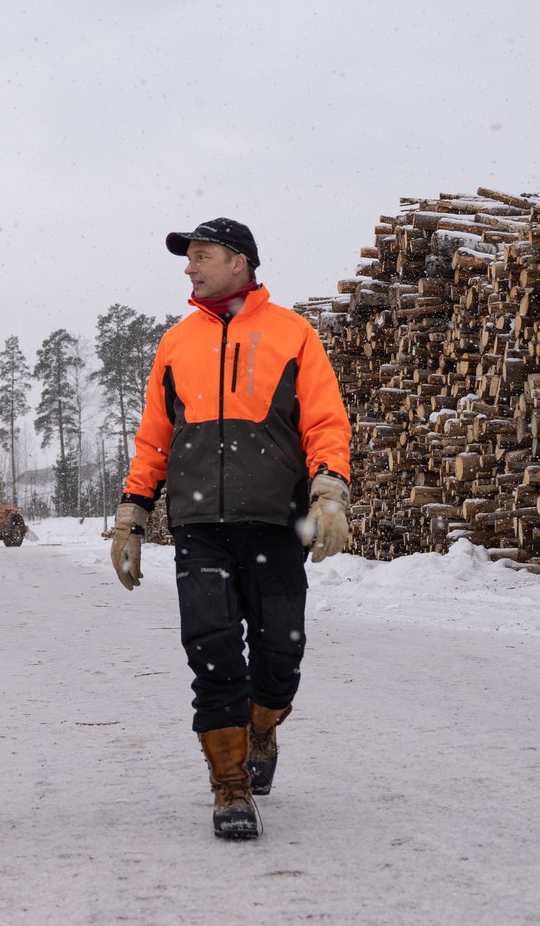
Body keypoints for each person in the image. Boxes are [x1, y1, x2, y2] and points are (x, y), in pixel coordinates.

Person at [108, 217, 354, 840]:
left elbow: (324, 419)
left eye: (202, 255)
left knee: (280, 654)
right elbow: (155, 436)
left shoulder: (293, 335)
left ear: (241, 261)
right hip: (199, 525)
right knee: (211, 648)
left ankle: (261, 727)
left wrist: (329, 487)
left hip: (275, 521)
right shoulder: (176, 342)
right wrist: (133, 510)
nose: (190, 267)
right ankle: (229, 785)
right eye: (188, 257)